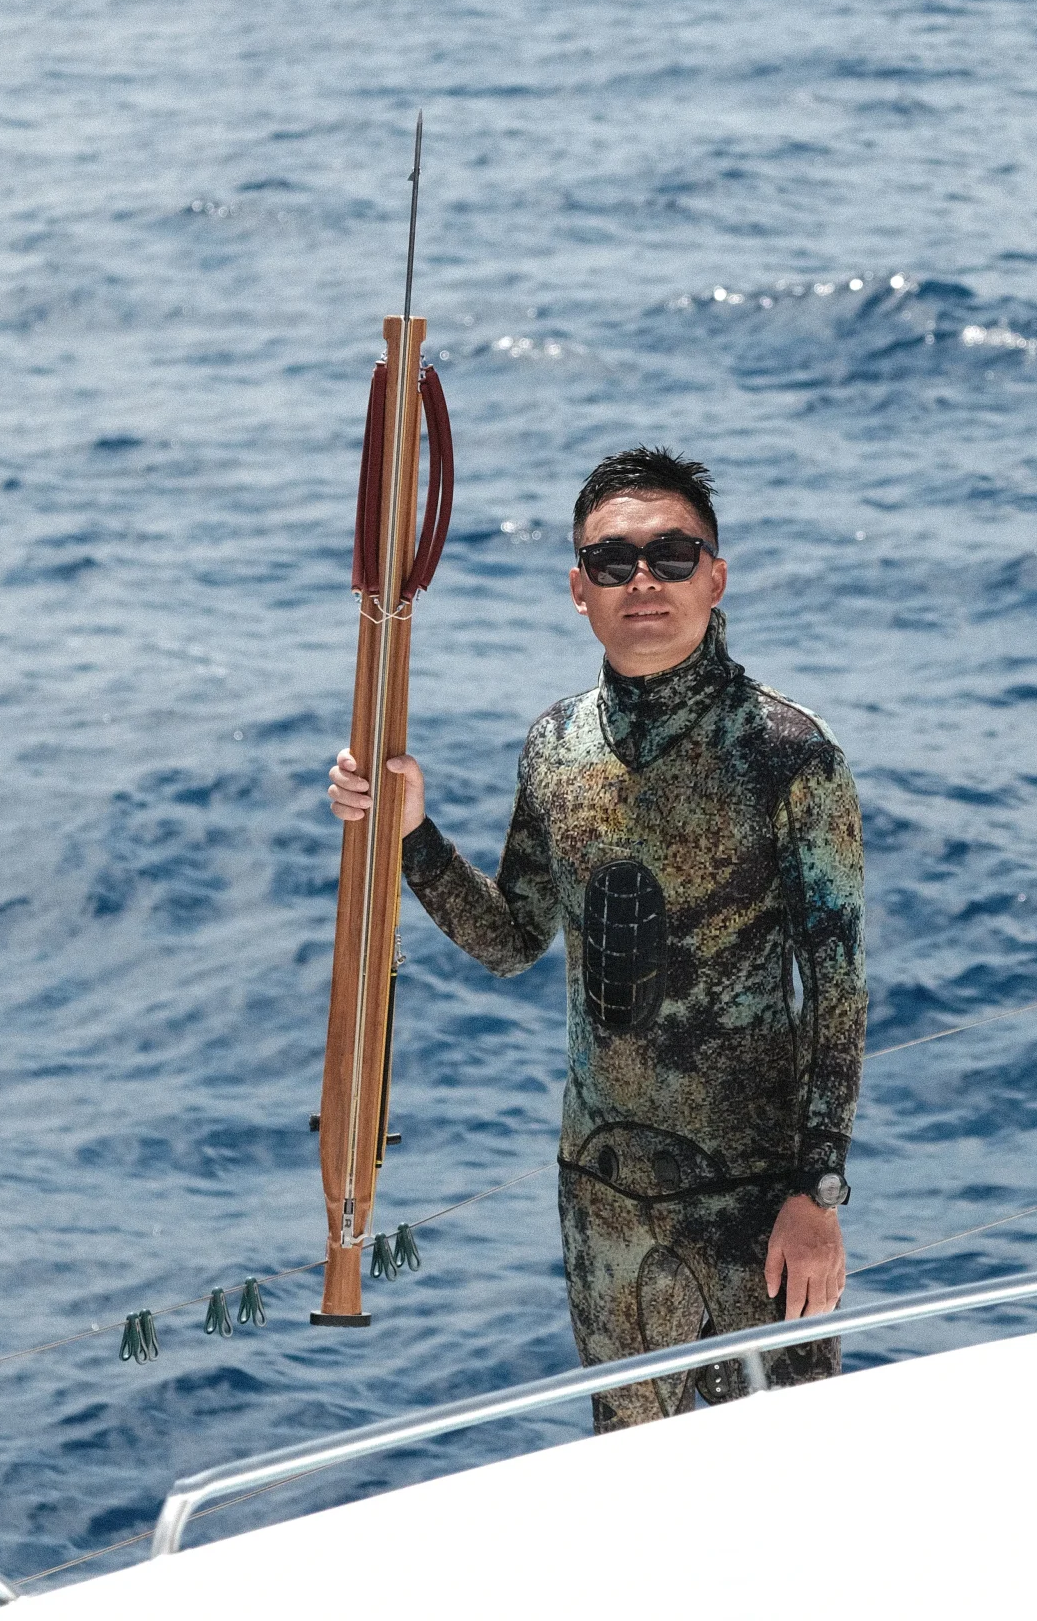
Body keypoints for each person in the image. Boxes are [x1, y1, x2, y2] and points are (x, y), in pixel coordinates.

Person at [328, 445, 866, 1425]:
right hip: (603, 1201)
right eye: (614, 562)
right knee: (629, 1486)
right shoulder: (554, 748)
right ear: (580, 590)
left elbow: (838, 990)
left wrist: (818, 1195)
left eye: (672, 553)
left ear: (717, 574)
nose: (644, 580)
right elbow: (510, 938)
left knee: (787, 1485)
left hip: (759, 1207)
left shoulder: (792, 754)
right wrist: (411, 836)